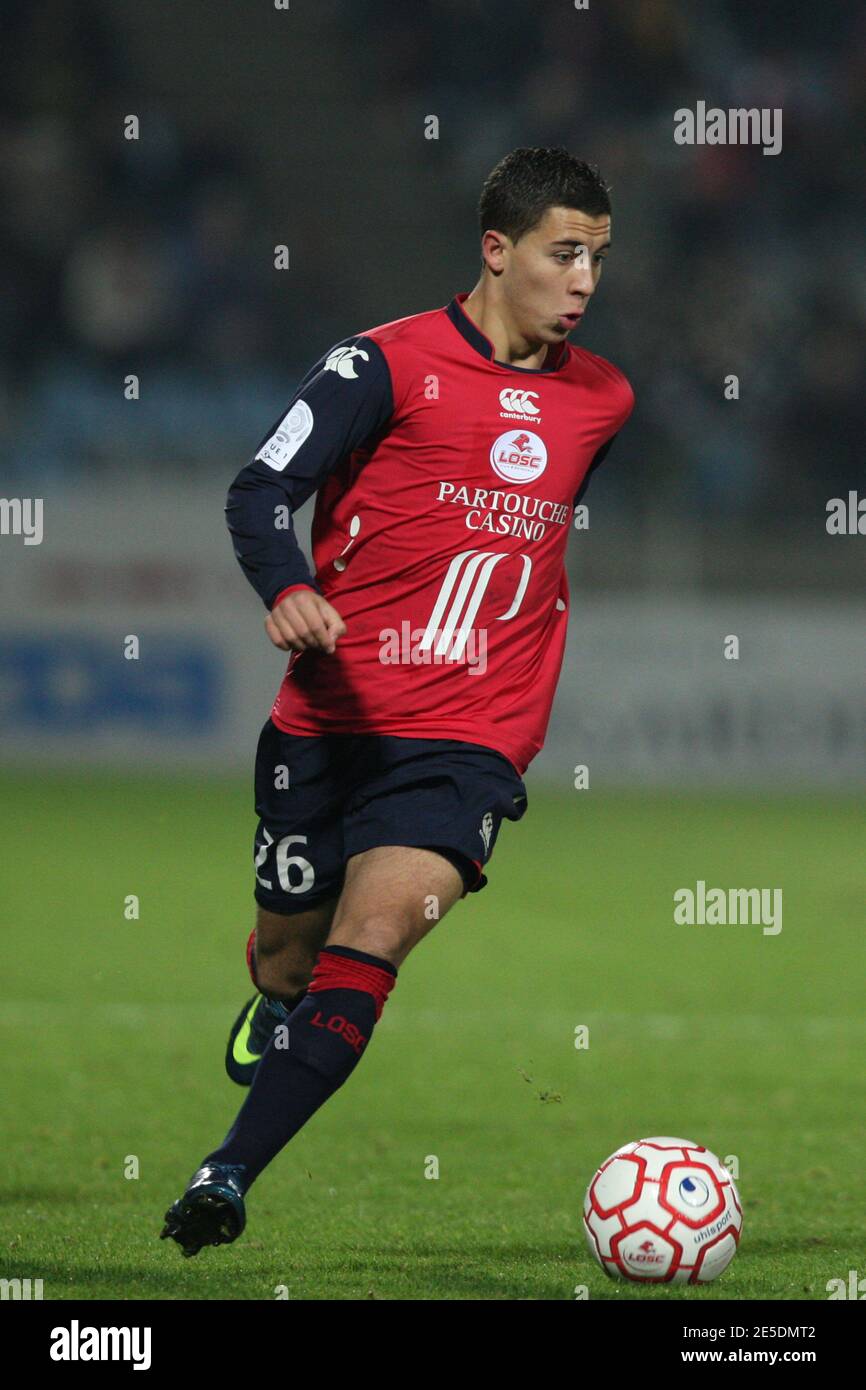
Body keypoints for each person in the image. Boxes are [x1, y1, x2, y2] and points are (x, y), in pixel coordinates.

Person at [161, 145, 634, 1256]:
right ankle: (276, 1006)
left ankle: (227, 1172)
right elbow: (261, 487)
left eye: (597, 260)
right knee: (289, 953)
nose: (582, 280)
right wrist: (288, 585)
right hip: (329, 719)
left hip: (468, 740)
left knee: (372, 932)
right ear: (495, 249)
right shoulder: (381, 363)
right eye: (563, 253)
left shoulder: (601, 399)